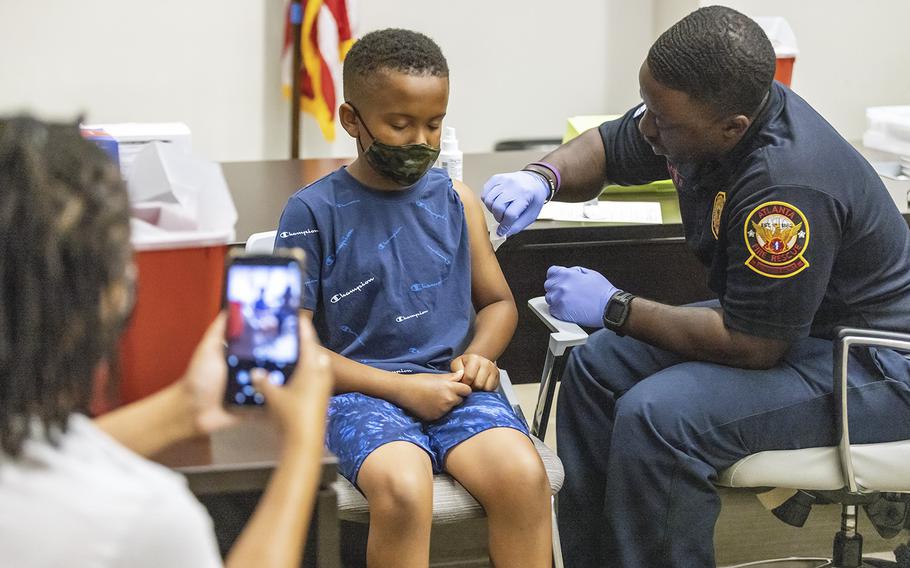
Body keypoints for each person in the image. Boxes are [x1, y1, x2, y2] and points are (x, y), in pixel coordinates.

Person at [481, 6, 910, 567]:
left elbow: (753, 346)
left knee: (662, 417)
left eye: (664, 122)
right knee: (597, 368)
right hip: (795, 325)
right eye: (649, 108)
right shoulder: (699, 117)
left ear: (732, 125)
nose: (649, 128)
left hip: (872, 364)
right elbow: (613, 145)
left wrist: (615, 305)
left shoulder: (785, 189)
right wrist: (543, 176)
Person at [0, 116, 333, 568]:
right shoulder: (144, 521)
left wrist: (186, 407)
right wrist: (302, 448)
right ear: (106, 298)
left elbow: (32, 459)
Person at [276, 28, 552, 568]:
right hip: (359, 389)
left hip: (452, 384)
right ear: (352, 120)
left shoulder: (456, 201)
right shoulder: (311, 213)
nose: (422, 141)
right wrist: (403, 389)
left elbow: (498, 303)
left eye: (434, 123)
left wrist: (480, 356)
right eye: (400, 125)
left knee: (523, 477)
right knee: (404, 487)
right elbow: (292, 344)